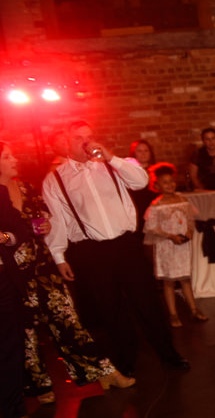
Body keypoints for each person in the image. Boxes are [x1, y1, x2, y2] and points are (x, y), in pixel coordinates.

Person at [40, 120, 190, 375]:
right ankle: (126, 360)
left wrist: (111, 157)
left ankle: (168, 354)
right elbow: (57, 220)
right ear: (66, 141)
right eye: (79, 138)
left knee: (147, 303)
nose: (85, 142)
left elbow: (141, 181)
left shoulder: (113, 164)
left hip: (125, 244)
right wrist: (58, 255)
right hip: (91, 251)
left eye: (89, 136)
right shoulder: (55, 179)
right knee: (111, 309)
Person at [1, 142, 136, 405]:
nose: (14, 159)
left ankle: (103, 372)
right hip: (13, 272)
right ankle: (38, 386)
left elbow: (45, 217)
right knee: (26, 331)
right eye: (7, 156)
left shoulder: (26, 187)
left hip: (41, 264)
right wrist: (11, 237)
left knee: (68, 320)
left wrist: (46, 225)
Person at [144, 164, 207, 327]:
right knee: (169, 281)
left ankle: (194, 309)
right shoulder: (157, 205)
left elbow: (190, 219)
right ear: (157, 185)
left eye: (171, 181)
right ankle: (173, 314)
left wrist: (189, 231)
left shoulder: (182, 200)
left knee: (185, 278)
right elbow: (151, 227)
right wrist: (170, 236)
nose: (170, 185)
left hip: (182, 246)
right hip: (167, 247)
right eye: (165, 182)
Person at [0, 197, 43, 418]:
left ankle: (15, 412)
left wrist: (4, 237)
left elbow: (18, 231)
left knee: (9, 347)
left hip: (2, 281)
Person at [127, 139, 159, 232]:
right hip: (139, 209)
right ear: (134, 153)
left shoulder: (157, 170)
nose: (143, 154)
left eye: (146, 151)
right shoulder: (130, 172)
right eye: (139, 151)